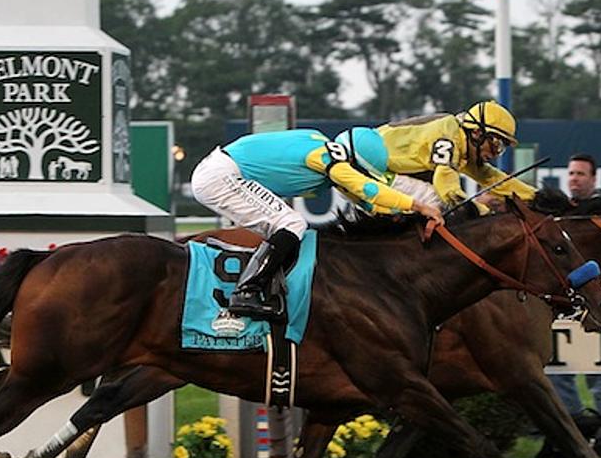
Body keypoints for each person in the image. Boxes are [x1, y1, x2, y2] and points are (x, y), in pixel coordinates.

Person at [190, 126, 443, 320]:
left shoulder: (327, 149)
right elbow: (367, 189)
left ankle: (263, 285)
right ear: (353, 163)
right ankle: (245, 292)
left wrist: (408, 217)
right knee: (292, 223)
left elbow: (367, 203)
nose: (355, 175)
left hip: (219, 171)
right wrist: (418, 205)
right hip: (221, 176)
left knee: (285, 231)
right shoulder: (325, 157)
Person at [542, 153, 601, 458]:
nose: (575, 178)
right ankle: (582, 434)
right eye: (571, 173)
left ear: (594, 179)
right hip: (565, 307)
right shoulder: (560, 215)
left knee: (599, 372)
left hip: (596, 304)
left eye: (581, 174)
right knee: (560, 373)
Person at [376, 100, 536, 215]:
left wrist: (536, 197)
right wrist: (480, 211)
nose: (495, 153)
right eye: (496, 144)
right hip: (366, 167)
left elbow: (491, 178)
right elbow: (447, 186)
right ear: (477, 133)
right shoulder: (449, 137)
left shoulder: (464, 142)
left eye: (501, 149)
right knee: (435, 200)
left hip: (377, 168)